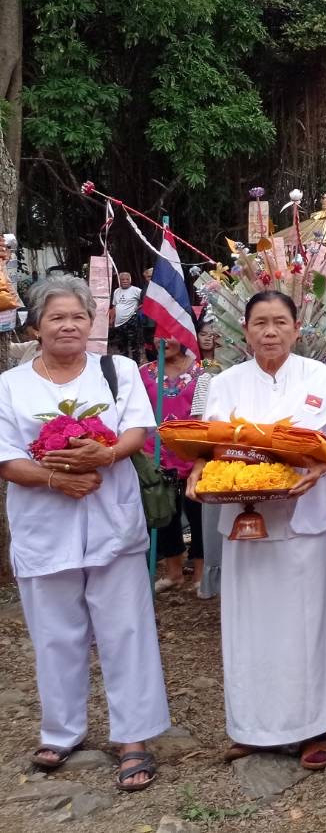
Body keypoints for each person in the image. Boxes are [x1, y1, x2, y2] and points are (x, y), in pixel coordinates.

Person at [0, 275, 169, 790]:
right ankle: (62, 730)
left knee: (126, 630)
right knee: (54, 634)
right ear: (35, 326)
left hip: (111, 522)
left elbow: (139, 429)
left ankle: (133, 737)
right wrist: (56, 478)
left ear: (91, 323)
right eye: (56, 317)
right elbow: (6, 458)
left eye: (77, 315)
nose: (68, 325)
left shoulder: (115, 372)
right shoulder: (11, 385)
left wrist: (108, 453)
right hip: (44, 525)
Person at [187, 290, 326, 770]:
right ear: (245, 330)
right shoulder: (225, 383)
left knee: (306, 626)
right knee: (249, 625)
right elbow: (205, 442)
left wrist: (323, 470)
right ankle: (251, 727)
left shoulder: (321, 379)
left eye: (280, 322)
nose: (270, 331)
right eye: (260, 322)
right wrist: (200, 471)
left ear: (297, 328)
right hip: (244, 517)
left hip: (301, 519)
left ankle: (312, 728)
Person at [141, 333, 204, 593]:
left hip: (194, 455)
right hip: (154, 454)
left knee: (198, 515)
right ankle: (174, 573)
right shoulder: (142, 373)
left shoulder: (204, 373)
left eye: (170, 334)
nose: (162, 341)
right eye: (156, 335)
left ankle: (201, 573)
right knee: (164, 513)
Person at [110, 270, 144, 359]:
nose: (124, 281)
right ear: (119, 281)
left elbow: (147, 300)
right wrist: (111, 320)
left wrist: (138, 308)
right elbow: (114, 306)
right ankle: (125, 362)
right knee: (122, 345)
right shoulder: (116, 291)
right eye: (122, 279)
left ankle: (136, 363)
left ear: (130, 280)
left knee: (134, 345)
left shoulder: (136, 290)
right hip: (119, 323)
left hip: (131, 321)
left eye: (127, 279)